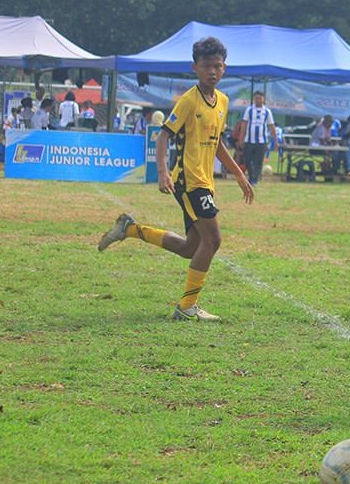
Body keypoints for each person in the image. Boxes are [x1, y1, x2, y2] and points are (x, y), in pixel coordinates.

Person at [97, 36, 253, 321]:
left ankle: (128, 228)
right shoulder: (187, 101)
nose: (212, 72)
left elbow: (216, 143)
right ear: (194, 67)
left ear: (224, 68)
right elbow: (163, 136)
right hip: (189, 182)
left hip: (205, 182)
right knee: (213, 239)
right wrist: (163, 172)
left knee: (190, 248)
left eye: (217, 66)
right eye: (206, 66)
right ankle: (186, 307)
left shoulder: (223, 102)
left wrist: (239, 174)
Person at [237, 91, 277, 186]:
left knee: (259, 161)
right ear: (254, 99)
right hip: (249, 140)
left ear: (263, 99)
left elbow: (271, 126)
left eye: (260, 98)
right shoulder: (249, 110)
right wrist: (241, 138)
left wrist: (275, 140)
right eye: (257, 98)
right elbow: (244, 124)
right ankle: (251, 175)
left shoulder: (267, 111)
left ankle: (254, 180)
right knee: (247, 159)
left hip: (262, 141)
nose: (258, 100)